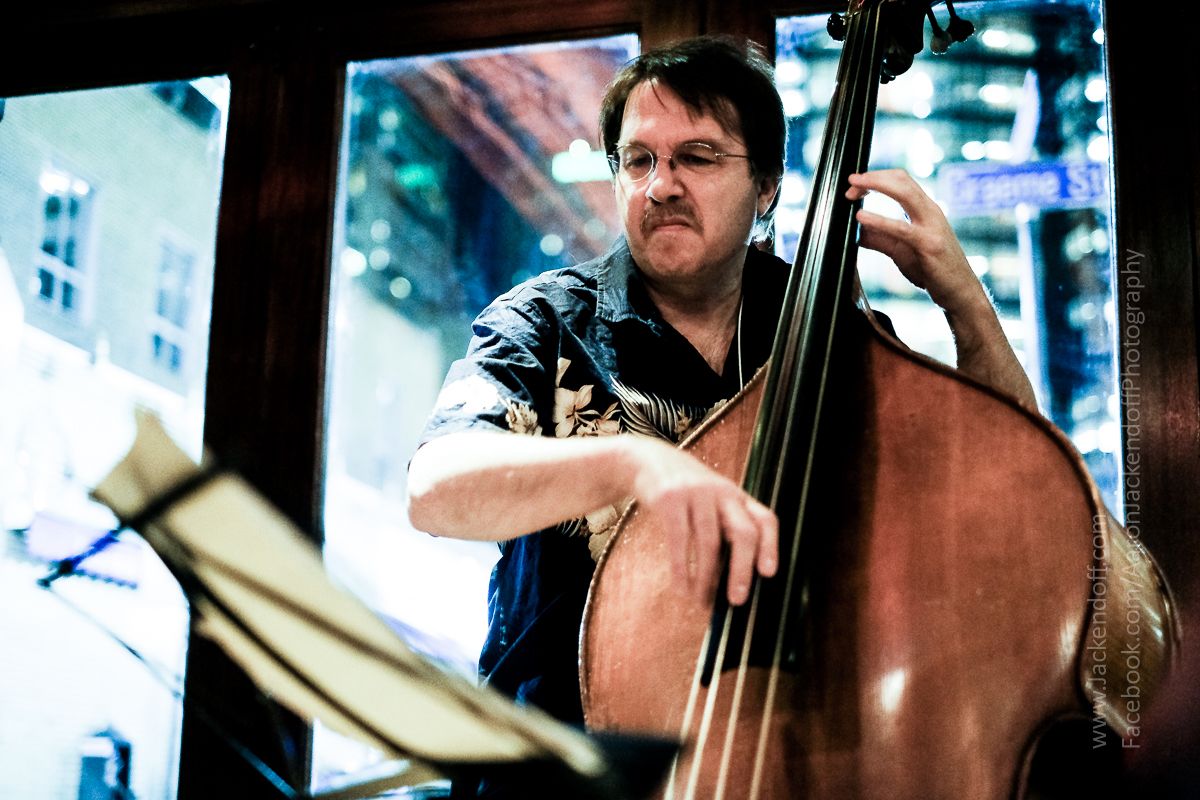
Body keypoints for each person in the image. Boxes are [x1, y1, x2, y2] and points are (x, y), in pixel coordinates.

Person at [407, 32, 1035, 749]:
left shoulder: (831, 330)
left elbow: (1008, 491)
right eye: (638, 160)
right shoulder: (543, 322)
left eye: (698, 157)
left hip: (798, 751)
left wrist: (965, 303)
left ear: (766, 186)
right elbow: (435, 490)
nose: (660, 186)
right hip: (571, 764)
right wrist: (632, 462)